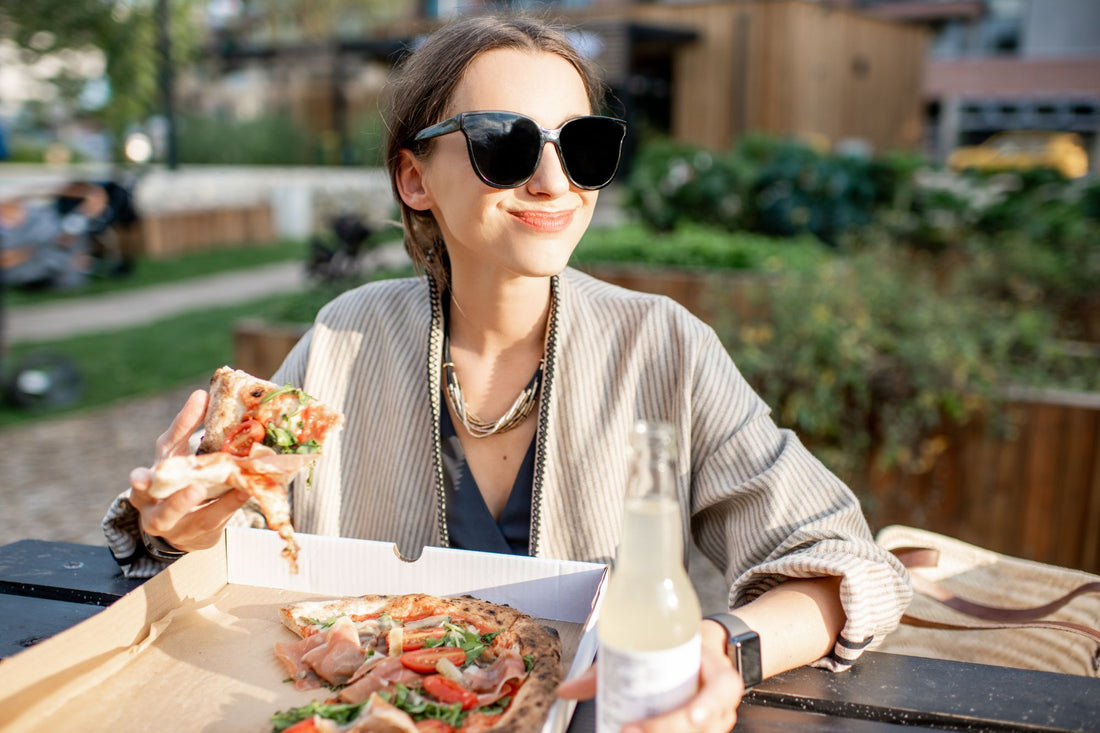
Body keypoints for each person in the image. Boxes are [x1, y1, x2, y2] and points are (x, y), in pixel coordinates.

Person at [103, 15, 911, 732]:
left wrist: (724, 645)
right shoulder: (342, 338)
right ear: (414, 178)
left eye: (583, 145)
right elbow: (233, 548)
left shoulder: (662, 347)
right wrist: (180, 523)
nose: (555, 183)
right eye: (506, 143)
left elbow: (842, 561)